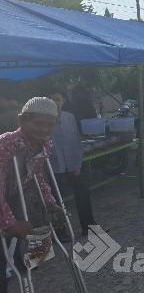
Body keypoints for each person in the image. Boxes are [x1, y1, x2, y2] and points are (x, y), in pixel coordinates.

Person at [0, 97, 65, 293]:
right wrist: (10, 223)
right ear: (22, 121)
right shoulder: (6, 144)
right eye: (38, 123)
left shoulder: (44, 144)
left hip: (11, 198)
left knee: (25, 256)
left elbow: (37, 176)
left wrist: (51, 203)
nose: (44, 129)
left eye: (50, 124)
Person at [49, 92, 99, 237]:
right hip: (54, 164)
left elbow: (75, 140)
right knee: (56, 200)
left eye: (57, 99)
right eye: (52, 99)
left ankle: (89, 226)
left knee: (83, 193)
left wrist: (77, 163)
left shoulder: (69, 117)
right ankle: (60, 231)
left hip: (72, 163)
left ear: (63, 101)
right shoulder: (45, 119)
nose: (55, 102)